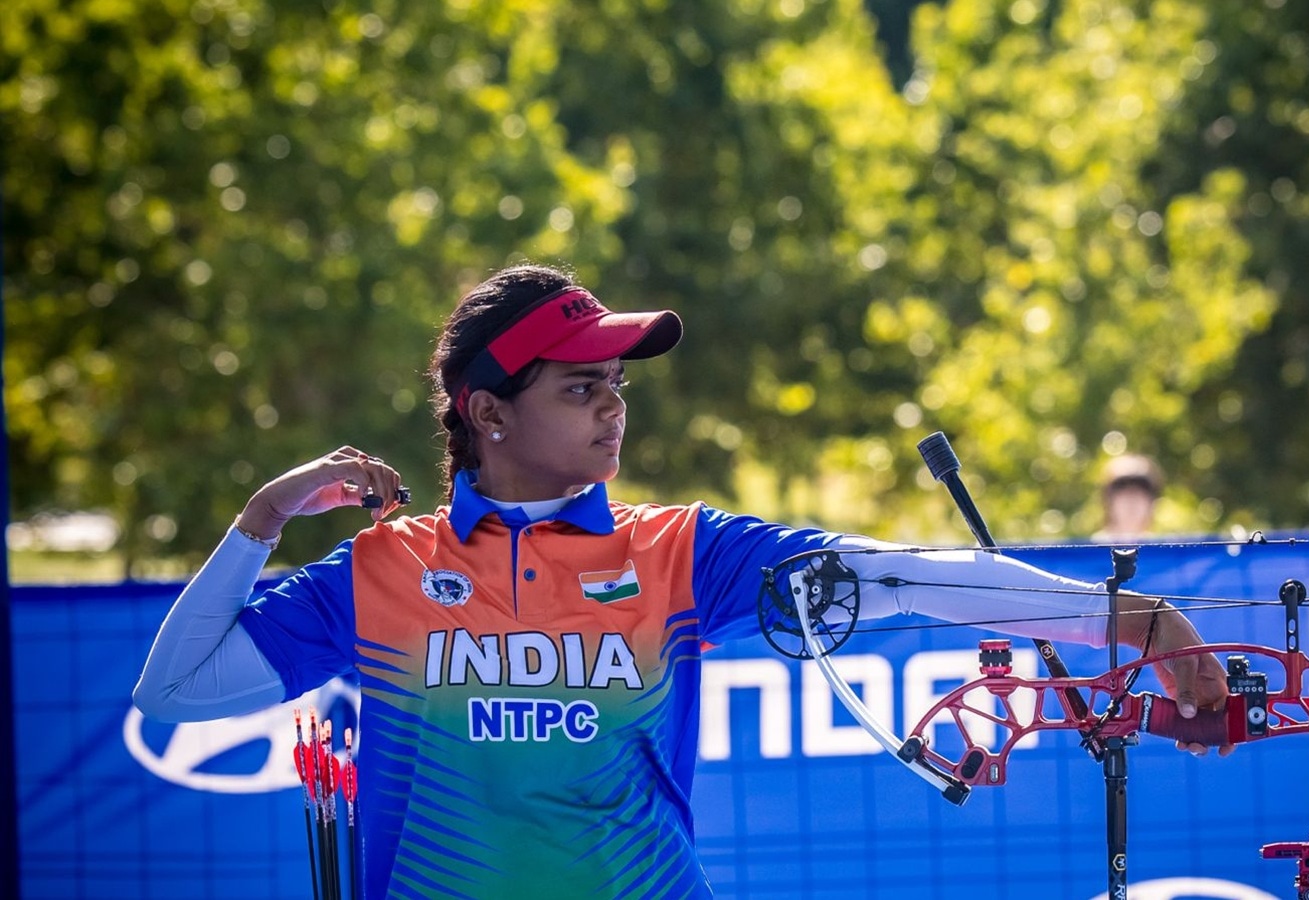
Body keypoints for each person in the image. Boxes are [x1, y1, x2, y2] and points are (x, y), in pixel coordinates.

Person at [134, 263, 1230, 900]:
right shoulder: (385, 568)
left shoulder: (677, 550)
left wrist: (1126, 616)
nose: (614, 407)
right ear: (488, 411)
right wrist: (262, 520)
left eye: (617, 385)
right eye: (580, 388)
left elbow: (891, 576)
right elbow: (175, 693)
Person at [1097, 453, 1164, 539]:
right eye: (1123, 492)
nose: (1132, 502)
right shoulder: (1085, 551)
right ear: (1107, 500)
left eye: (1140, 493)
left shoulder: (1164, 550)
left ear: (1152, 502)